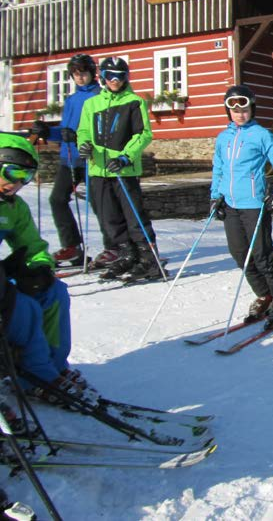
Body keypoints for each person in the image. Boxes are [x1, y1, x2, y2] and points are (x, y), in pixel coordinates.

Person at [0, 134, 98, 409]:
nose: (17, 182)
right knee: (23, 308)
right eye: (13, 172)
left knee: (54, 293)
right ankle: (36, 377)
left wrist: (40, 267)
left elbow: (32, 244)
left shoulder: (12, 207)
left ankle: (54, 367)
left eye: (26, 176)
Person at [211, 86, 273, 329]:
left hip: (254, 204)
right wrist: (215, 196)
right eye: (234, 110)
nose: (240, 114)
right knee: (239, 253)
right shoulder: (223, 137)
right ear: (228, 111)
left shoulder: (261, 135)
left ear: (251, 109)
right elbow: (218, 168)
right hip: (230, 203)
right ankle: (264, 293)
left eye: (244, 109)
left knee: (262, 254)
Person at [76, 58, 162, 282]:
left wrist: (125, 157)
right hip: (98, 170)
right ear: (102, 77)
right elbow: (83, 131)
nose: (115, 80)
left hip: (124, 170)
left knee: (134, 217)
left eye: (120, 76)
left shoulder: (134, 102)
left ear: (126, 77)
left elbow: (143, 134)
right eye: (110, 75)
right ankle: (127, 254)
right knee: (109, 218)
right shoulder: (91, 104)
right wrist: (83, 145)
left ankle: (148, 259)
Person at [29, 54, 112, 269]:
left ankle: (113, 247)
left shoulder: (99, 96)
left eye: (83, 73)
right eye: (75, 74)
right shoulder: (71, 99)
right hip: (69, 158)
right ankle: (72, 247)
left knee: (99, 203)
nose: (79, 78)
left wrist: (75, 136)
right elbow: (65, 132)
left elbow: (104, 130)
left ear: (92, 74)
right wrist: (48, 131)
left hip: (91, 158)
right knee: (57, 199)